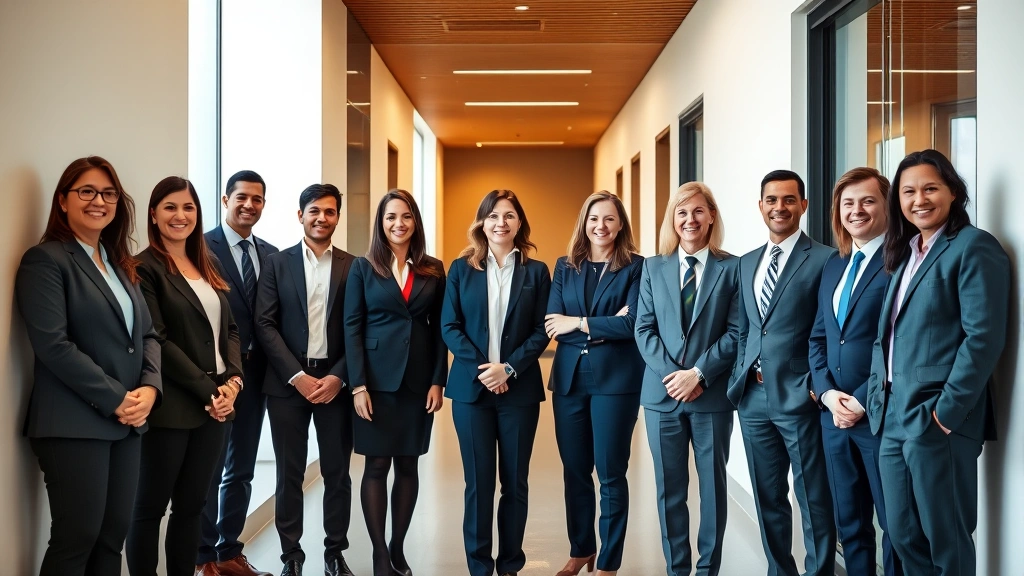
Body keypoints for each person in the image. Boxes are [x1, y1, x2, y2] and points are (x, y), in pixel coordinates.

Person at [15, 156, 161, 576]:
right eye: (87, 191)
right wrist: (117, 398)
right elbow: (53, 346)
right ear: (63, 201)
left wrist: (149, 390)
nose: (99, 201)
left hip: (129, 422)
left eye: (109, 193)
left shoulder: (120, 263)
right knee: (77, 538)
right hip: (73, 423)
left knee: (112, 538)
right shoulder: (46, 260)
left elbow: (147, 337)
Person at [867, 149, 1010, 576]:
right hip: (893, 414)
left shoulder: (973, 247)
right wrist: (880, 397)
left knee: (947, 538)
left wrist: (945, 414)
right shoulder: (906, 252)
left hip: (937, 420)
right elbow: (889, 335)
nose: (919, 199)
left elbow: (982, 338)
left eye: (931, 188)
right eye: (908, 191)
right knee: (903, 534)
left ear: (952, 191)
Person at [126, 177, 242, 576]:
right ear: (154, 215)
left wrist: (234, 383)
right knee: (149, 509)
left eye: (188, 207)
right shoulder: (144, 267)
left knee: (193, 507)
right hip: (172, 406)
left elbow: (230, 330)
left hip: (215, 408)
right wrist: (211, 390)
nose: (180, 215)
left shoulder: (208, 263)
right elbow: (157, 339)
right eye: (171, 207)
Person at [728, 170, 837, 576]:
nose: (780, 207)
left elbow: (828, 329)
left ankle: (820, 571)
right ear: (760, 206)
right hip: (753, 398)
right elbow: (744, 329)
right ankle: (780, 570)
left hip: (800, 396)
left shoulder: (826, 259)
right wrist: (741, 371)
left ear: (804, 206)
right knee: (767, 495)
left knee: (813, 496)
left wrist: (816, 384)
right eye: (771, 200)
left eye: (789, 200)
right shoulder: (746, 263)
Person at [441, 189, 551, 576]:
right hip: (471, 392)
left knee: (515, 483)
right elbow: (449, 327)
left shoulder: (537, 272)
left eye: (508, 215)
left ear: (519, 223)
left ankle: (509, 565)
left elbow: (541, 331)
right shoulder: (460, 269)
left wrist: (510, 368)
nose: (500, 222)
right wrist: (487, 369)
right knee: (478, 484)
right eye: (492, 216)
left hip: (519, 391)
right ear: (481, 223)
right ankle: (479, 566)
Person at [635, 182, 740, 576]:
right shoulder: (653, 267)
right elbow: (644, 330)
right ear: (672, 220)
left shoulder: (733, 268)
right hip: (662, 399)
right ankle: (677, 569)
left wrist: (697, 374)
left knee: (712, 489)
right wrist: (673, 378)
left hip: (710, 395)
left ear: (711, 215)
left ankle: (707, 568)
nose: (690, 220)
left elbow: (736, 332)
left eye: (698, 211)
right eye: (681, 212)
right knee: (670, 490)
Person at [344, 189, 448, 576]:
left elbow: (440, 330)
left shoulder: (434, 268)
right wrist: (357, 386)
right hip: (374, 383)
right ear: (380, 223)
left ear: (415, 221)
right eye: (390, 217)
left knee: (408, 465)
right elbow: (351, 328)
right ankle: (378, 555)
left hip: (418, 383)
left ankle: (398, 547)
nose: (398, 224)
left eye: (405, 216)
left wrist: (438, 380)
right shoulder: (363, 266)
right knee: (376, 466)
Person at [255, 184, 356, 576]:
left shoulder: (354, 266)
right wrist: (296, 376)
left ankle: (335, 553)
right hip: (286, 384)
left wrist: (338, 377)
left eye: (330, 212)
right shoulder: (276, 264)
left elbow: (357, 329)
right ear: (300, 215)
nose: (321, 218)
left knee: (336, 472)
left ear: (337, 218)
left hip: (335, 383)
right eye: (314, 210)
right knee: (289, 474)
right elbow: (265, 324)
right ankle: (291, 557)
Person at [808, 167, 901, 576]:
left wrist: (861, 399)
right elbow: (818, 339)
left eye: (867, 201)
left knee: (896, 525)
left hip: (880, 415)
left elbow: (901, 342)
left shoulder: (901, 261)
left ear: (887, 206)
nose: (856, 211)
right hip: (834, 418)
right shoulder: (835, 264)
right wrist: (828, 395)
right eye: (848, 203)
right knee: (851, 524)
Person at [545, 191, 644, 576]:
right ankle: (581, 548)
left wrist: (581, 322)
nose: (600, 226)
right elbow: (553, 324)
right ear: (583, 224)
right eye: (593, 219)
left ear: (621, 225)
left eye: (609, 219)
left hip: (616, 383)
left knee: (610, 471)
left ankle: (608, 562)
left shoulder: (637, 267)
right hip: (569, 380)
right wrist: (605, 325)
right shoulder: (565, 266)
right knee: (575, 469)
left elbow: (633, 324)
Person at [198, 170, 278, 576]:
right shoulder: (199, 247)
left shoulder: (271, 253)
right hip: (215, 376)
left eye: (257, 199)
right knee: (209, 467)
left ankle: (229, 552)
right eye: (242, 197)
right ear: (225, 199)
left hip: (259, 375)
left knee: (242, 467)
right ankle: (203, 558)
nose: (249, 205)